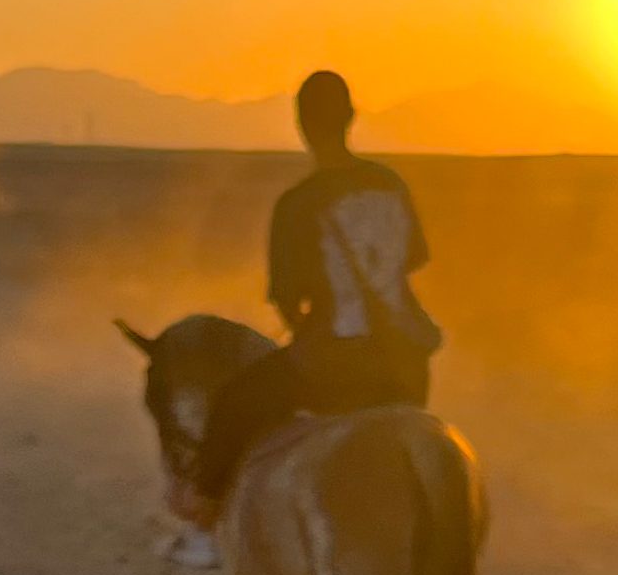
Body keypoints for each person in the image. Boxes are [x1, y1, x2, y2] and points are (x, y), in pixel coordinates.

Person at [173, 69, 441, 530]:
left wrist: (305, 332)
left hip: (335, 366)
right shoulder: (390, 184)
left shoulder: (299, 203)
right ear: (352, 117)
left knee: (236, 401)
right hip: (409, 364)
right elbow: (412, 260)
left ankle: (204, 511)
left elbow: (287, 300)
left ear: (300, 123)